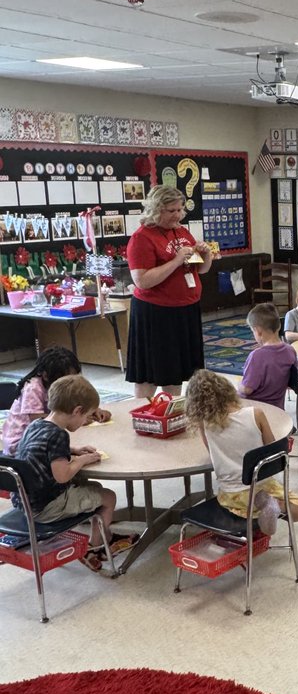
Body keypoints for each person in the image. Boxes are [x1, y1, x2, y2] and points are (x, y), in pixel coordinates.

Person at [13, 374, 133, 572]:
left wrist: (72, 451)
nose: (86, 420)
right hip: (46, 507)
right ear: (77, 411)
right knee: (109, 497)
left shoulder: (37, 425)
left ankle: (105, 535)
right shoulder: (59, 434)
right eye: (86, 416)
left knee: (95, 488)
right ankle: (93, 547)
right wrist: (82, 459)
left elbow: (40, 449)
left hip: (26, 503)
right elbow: (63, 475)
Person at [184, 369, 298, 536]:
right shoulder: (255, 414)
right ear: (226, 390)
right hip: (262, 483)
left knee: (247, 507)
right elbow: (271, 450)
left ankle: (264, 508)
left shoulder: (205, 424)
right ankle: (277, 506)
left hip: (232, 495)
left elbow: (211, 453)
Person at [126, 184, 212, 399]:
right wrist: (175, 261)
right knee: (151, 371)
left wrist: (206, 254)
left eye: (180, 210)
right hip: (156, 312)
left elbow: (199, 269)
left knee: (176, 370)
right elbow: (142, 281)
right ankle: (145, 414)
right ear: (156, 209)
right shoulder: (142, 238)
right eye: (171, 211)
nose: (178, 215)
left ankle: (171, 412)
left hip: (185, 308)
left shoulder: (181, 231)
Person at [1, 347, 111, 455]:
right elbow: (36, 418)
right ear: (46, 376)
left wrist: (93, 409)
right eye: (66, 379)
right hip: (20, 445)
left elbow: (78, 397)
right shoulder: (33, 387)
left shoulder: (66, 387)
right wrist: (71, 418)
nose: (71, 383)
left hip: (42, 438)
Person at [238, 303, 297, 411]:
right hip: (277, 409)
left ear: (258, 331)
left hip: (253, 411)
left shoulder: (256, 356)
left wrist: (238, 386)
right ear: (279, 326)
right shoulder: (290, 351)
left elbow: (247, 389)